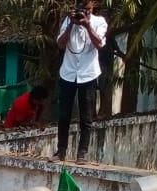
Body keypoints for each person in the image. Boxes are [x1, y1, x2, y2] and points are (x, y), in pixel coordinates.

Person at [52, 0, 107, 164]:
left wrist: (87, 25)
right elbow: (60, 44)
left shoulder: (99, 22)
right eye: (81, 9)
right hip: (68, 73)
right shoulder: (68, 21)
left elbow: (99, 44)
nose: (83, 12)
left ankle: (82, 153)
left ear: (93, 6)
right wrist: (71, 24)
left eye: (87, 9)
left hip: (88, 74)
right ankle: (61, 151)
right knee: (64, 115)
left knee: (86, 117)